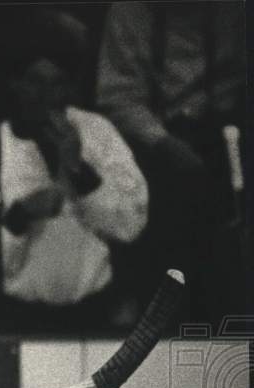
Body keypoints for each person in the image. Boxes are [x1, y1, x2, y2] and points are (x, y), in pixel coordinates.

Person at [96, 1, 246, 323]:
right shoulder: (129, 12)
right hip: (151, 146)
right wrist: (163, 143)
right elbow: (118, 96)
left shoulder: (236, 10)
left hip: (227, 139)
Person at [0, 11, 147, 332]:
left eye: (57, 84)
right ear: (15, 85)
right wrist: (21, 215)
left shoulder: (97, 132)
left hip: (95, 314)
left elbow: (131, 225)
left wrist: (79, 170)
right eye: (35, 83)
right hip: (16, 320)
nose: (47, 97)